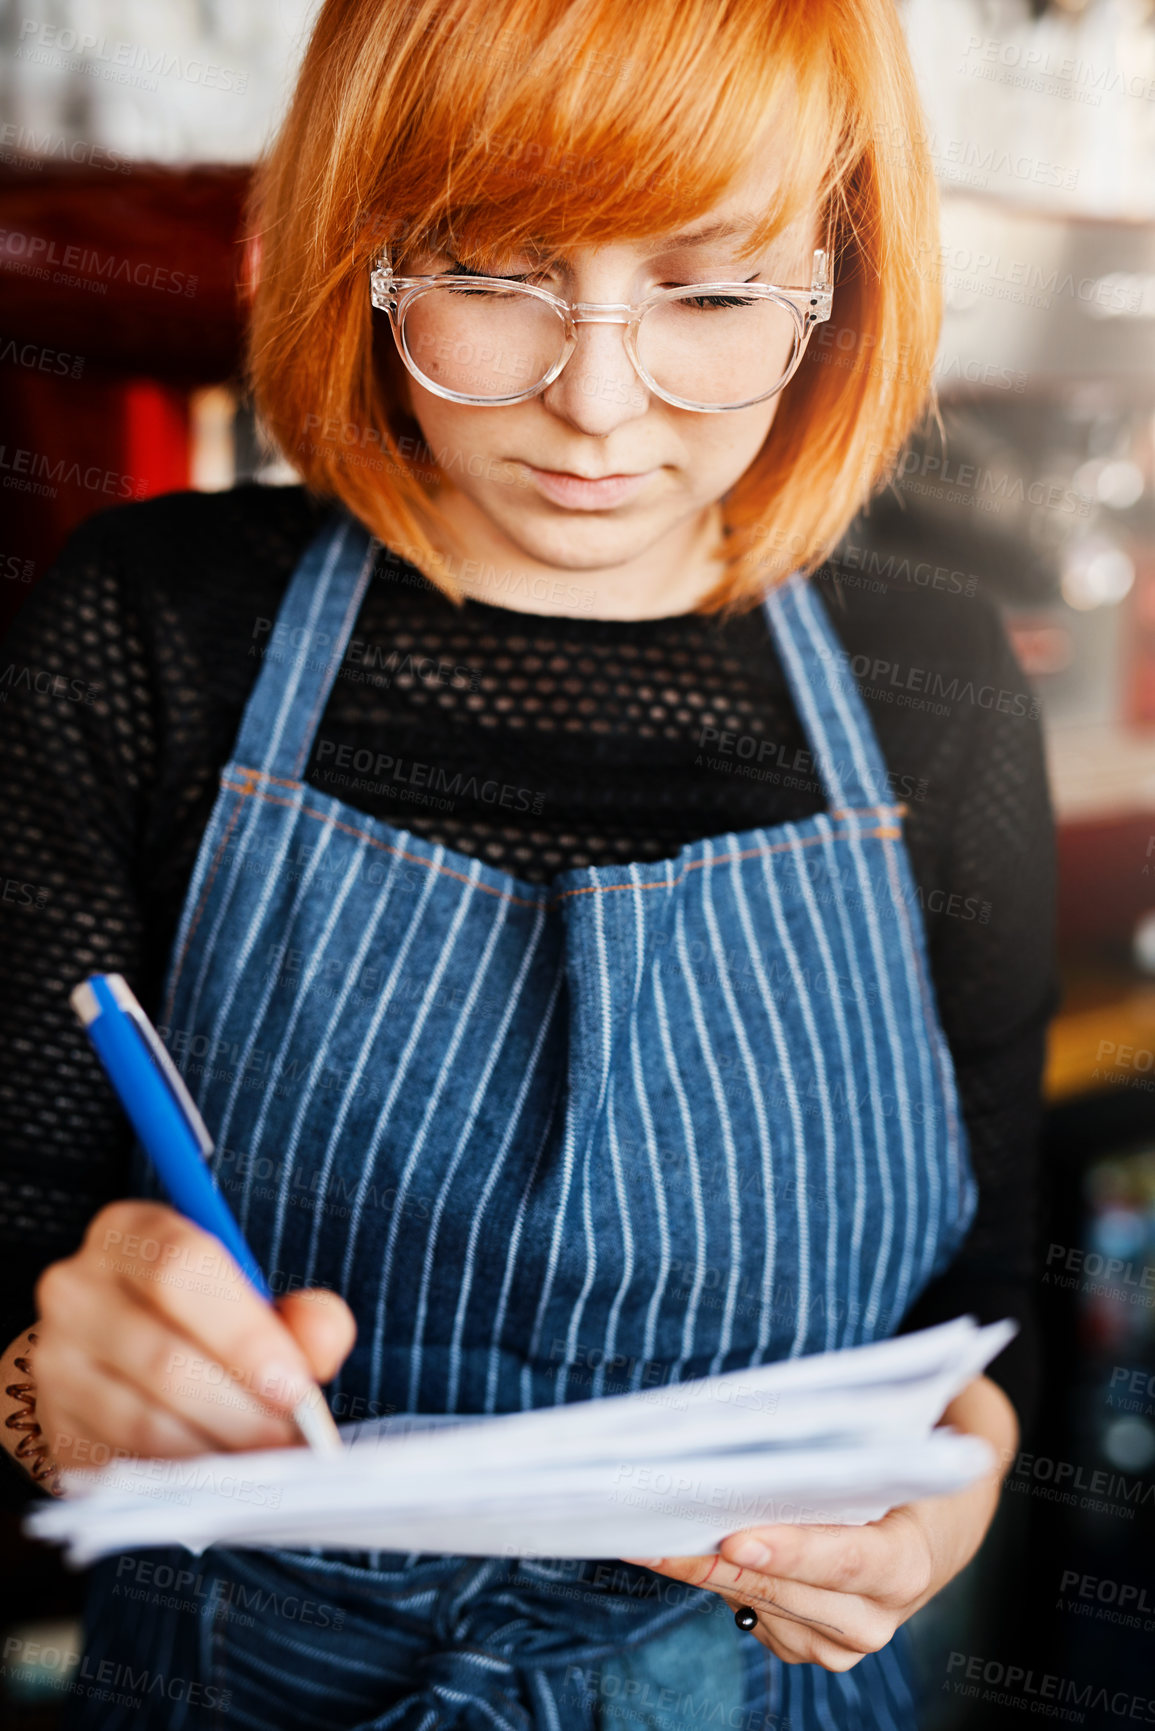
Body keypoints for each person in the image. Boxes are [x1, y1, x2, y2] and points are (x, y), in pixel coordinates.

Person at [0, 0, 1060, 1725]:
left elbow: (979, 1288)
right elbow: (24, 1255)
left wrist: (952, 1495)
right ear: (360, 257)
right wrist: (58, 1391)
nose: (596, 403)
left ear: (836, 277)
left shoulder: (927, 680)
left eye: (713, 292)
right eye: (493, 275)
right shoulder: (149, 630)